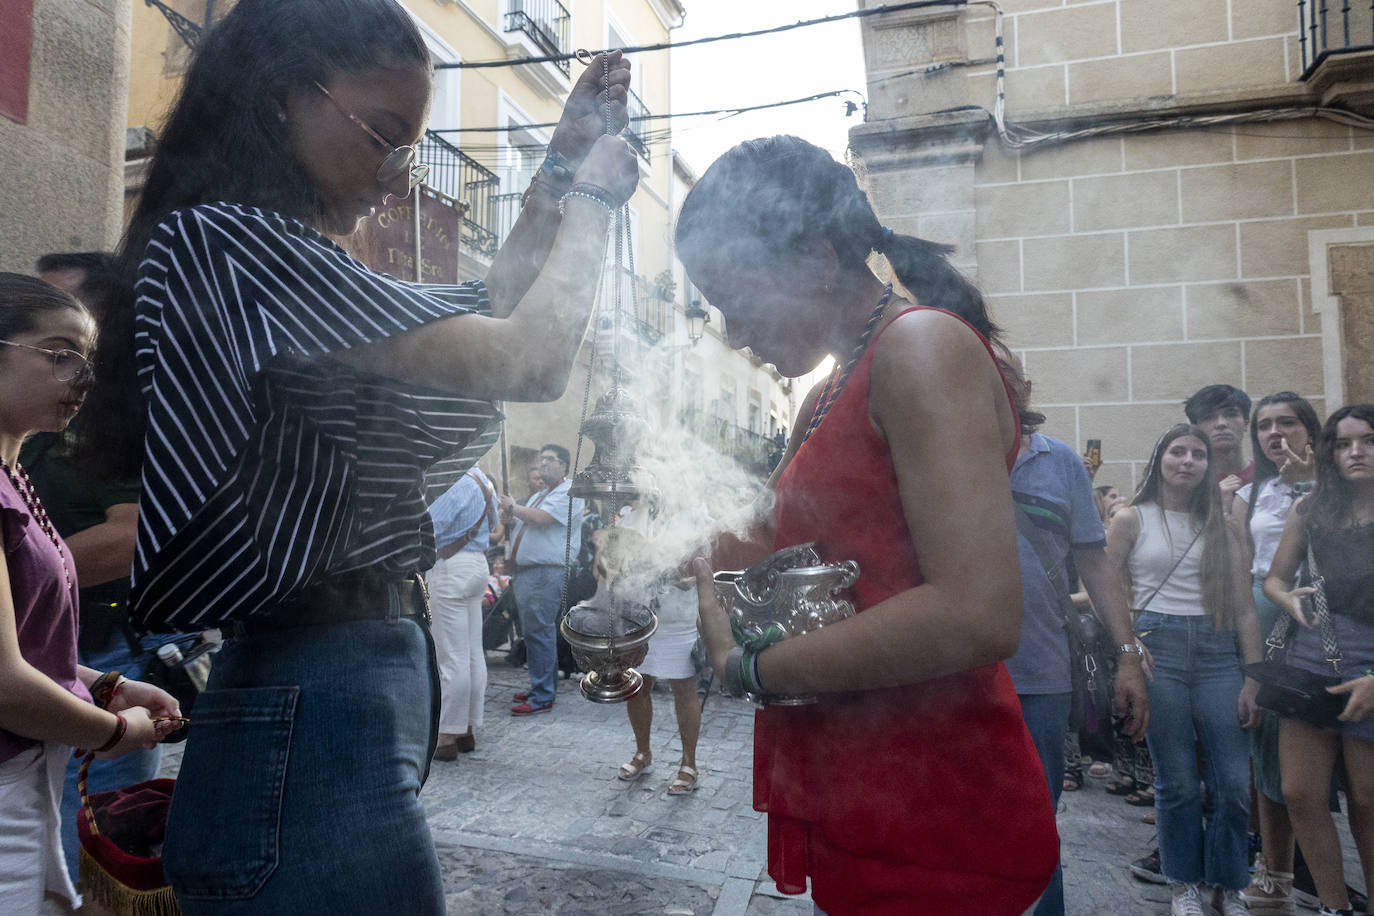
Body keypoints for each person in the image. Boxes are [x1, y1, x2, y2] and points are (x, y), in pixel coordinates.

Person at [76, 0, 639, 909]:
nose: (395, 174)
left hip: (327, 684)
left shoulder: (268, 252)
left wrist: (562, 158)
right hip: (312, 682)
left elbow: (488, 304)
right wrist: (592, 199)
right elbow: (524, 356)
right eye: (383, 134)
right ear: (285, 97)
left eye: (408, 145)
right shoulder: (231, 242)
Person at [679, 136, 1057, 915]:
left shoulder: (919, 348)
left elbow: (976, 612)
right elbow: (789, 548)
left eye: (736, 299)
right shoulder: (826, 393)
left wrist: (749, 669)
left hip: (937, 804)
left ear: (818, 258)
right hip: (864, 783)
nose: (736, 333)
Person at [0, 274, 180, 912]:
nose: (82, 376)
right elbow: (5, 682)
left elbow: (21, 647)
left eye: (88, 360)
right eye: (58, 354)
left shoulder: (15, 475)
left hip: (27, 782)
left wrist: (103, 683)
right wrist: (113, 730)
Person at [997, 355, 1149, 916]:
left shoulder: (1059, 462)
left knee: (1036, 820)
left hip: (1038, 672)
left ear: (1024, 387)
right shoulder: (941, 452)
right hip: (953, 676)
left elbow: (1096, 562)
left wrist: (1128, 656)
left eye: (1004, 374)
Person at [1106, 423, 1264, 916]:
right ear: (1160, 459)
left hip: (1219, 653)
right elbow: (1104, 591)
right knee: (1175, 782)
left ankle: (1229, 883)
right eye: (1178, 451)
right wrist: (1128, 648)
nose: (1188, 461)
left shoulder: (1225, 526)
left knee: (1234, 783)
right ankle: (1183, 884)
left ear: (1207, 467)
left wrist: (1255, 677)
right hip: (1159, 650)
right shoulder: (1131, 518)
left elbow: (1243, 609)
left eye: (1197, 454)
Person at [1263, 404, 1374, 916]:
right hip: (1312, 657)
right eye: (1343, 442)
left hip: (1371, 665)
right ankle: (1334, 907)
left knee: (1369, 804)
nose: (1356, 452)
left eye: (1368, 440)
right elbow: (1275, 577)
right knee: (1299, 792)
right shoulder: (1310, 508)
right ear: (1327, 451)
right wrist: (1284, 597)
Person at [1229, 392, 1321, 914]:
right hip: (1267, 617)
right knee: (1270, 749)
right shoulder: (1253, 492)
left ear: (1311, 429)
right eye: (1264, 425)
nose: (1275, 433)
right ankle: (1276, 873)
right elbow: (1241, 572)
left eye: (1287, 422)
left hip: (1333, 618)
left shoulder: (1339, 486)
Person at [605, 511, 706, 796]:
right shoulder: (628, 518)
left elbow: (701, 567)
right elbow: (611, 566)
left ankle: (689, 764)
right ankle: (643, 753)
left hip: (678, 618)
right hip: (639, 616)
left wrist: (681, 576)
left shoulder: (693, 517)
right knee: (637, 686)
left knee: (685, 689)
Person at [499, 444, 584, 716]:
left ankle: (542, 695)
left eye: (550, 459)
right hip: (530, 572)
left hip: (545, 572)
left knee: (540, 633)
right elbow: (526, 520)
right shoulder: (539, 494)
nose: (543, 464)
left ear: (564, 466)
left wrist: (514, 508)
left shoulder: (570, 492)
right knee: (534, 633)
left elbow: (542, 519)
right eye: (541, 459)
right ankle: (541, 685)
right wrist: (511, 517)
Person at [427, 466, 501, 759]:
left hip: (451, 566)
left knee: (451, 656)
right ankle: (467, 729)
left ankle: (446, 735)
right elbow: (494, 523)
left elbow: (430, 526)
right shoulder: (483, 480)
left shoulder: (456, 479)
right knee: (471, 652)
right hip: (476, 564)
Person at [1185, 384, 1254, 505]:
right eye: (1209, 417)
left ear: (1246, 423)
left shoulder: (1266, 476)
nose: (1221, 423)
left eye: (1231, 414)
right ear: (1196, 428)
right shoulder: (1189, 479)